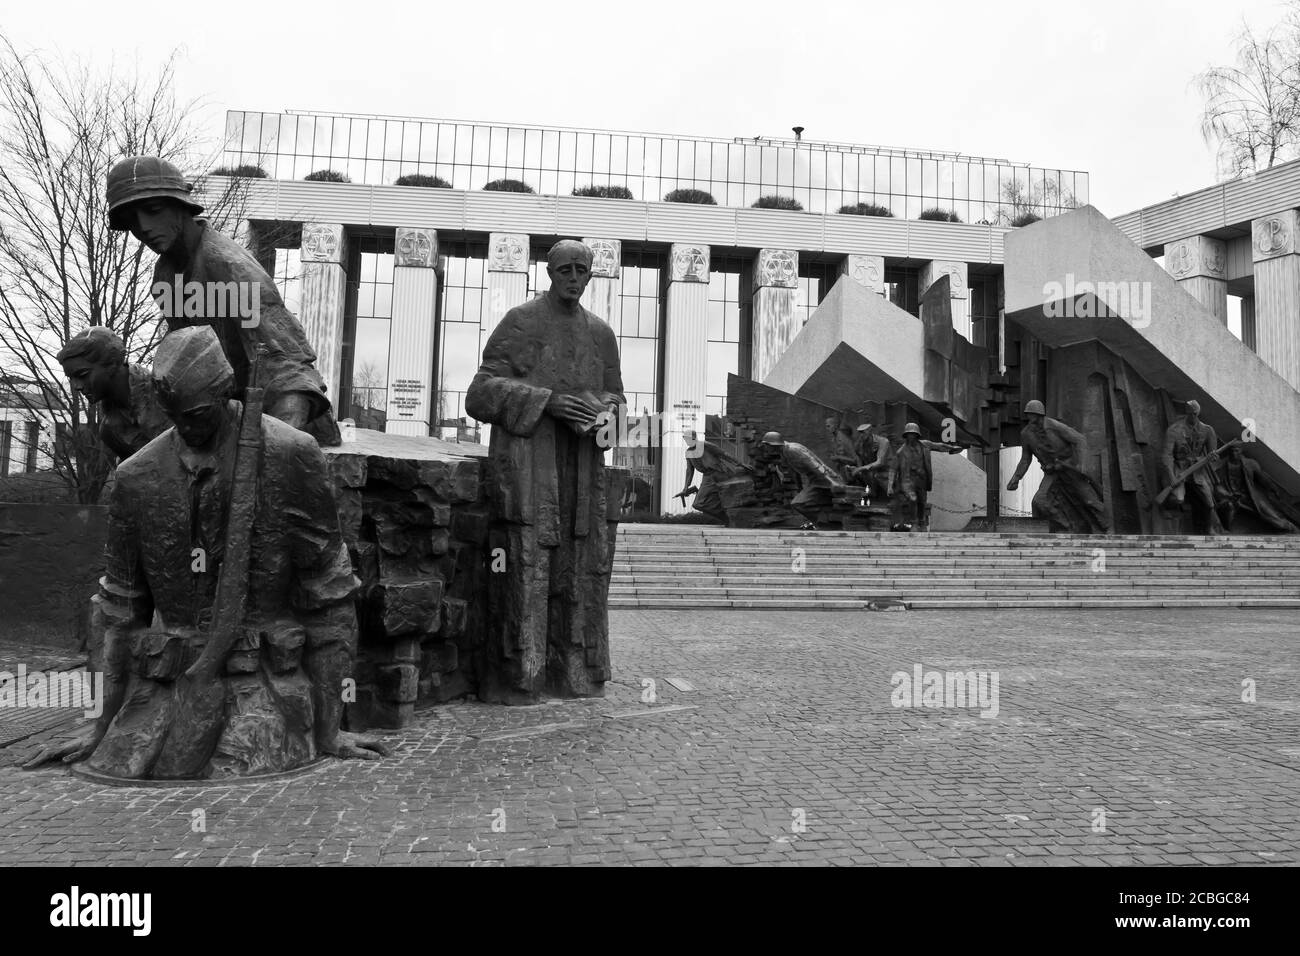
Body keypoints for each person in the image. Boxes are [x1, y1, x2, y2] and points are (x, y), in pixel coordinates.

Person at [25, 327, 386, 778]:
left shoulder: (291, 453)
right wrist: (97, 723)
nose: (188, 428)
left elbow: (330, 597)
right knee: (122, 764)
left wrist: (332, 727)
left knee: (244, 758)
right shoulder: (137, 476)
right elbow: (118, 610)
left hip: (263, 688)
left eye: (197, 414)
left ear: (223, 393)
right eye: (176, 417)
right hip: (160, 690)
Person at [465, 239, 624, 703]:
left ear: (591, 276)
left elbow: (618, 399)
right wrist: (547, 402)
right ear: (549, 273)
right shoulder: (521, 320)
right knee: (525, 569)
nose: (573, 278)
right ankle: (520, 677)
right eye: (565, 270)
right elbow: (480, 393)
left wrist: (601, 414)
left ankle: (574, 672)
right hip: (531, 471)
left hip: (582, 472)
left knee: (579, 574)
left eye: (581, 270)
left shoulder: (601, 334)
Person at [105, 155, 340, 445]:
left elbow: (289, 369)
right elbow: (185, 361)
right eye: (130, 221)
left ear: (181, 206)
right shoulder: (165, 274)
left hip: (277, 425)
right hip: (218, 421)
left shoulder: (228, 266)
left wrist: (273, 447)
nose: (142, 227)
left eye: (152, 210)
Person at [56, 327, 170, 461]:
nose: (76, 386)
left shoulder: (165, 390)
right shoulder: (110, 431)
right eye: (71, 378)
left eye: (82, 375)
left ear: (112, 363)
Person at [1006, 400, 1109, 533]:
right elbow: (1026, 459)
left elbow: (1080, 440)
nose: (1030, 417)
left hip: (1069, 468)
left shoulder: (1054, 426)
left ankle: (1107, 526)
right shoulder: (1026, 434)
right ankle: (1066, 526)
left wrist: (1082, 465)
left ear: (1039, 414)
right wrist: (1016, 478)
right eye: (1028, 414)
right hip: (1052, 472)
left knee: (1089, 500)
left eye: (1033, 414)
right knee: (1040, 501)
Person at [1160, 399, 1225, 535]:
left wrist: (1213, 457)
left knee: (1209, 503)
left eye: (1195, 413)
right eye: (1190, 413)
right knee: (1178, 498)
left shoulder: (1208, 430)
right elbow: (1167, 456)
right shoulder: (1174, 430)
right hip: (1180, 468)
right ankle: (1167, 505)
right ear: (1186, 413)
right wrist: (1172, 477)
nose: (1193, 416)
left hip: (1197, 470)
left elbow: (1212, 454)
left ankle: (1208, 529)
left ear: (1198, 413)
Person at [756, 431, 844, 530]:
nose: (765, 449)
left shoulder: (793, 450)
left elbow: (815, 466)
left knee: (798, 503)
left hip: (824, 479)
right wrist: (800, 488)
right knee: (799, 503)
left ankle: (824, 524)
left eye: (766, 446)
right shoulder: (784, 453)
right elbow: (794, 472)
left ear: (773, 445)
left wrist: (832, 482)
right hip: (815, 481)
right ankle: (822, 524)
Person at [1216, 444, 1299, 533]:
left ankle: (1290, 528)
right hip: (1231, 496)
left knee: (1270, 513)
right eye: (1232, 451)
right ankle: (1226, 530)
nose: (1234, 453)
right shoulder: (1223, 465)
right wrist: (1227, 494)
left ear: (1241, 451)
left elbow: (1262, 477)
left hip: (1250, 496)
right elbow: (1217, 485)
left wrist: (1272, 488)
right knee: (1229, 507)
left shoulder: (1250, 463)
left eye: (1236, 450)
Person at [676, 429, 751, 524]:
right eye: (685, 439)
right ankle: (727, 517)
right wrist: (685, 488)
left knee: (726, 497)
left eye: (688, 439)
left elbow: (724, 455)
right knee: (698, 504)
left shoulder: (706, 445)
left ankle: (731, 518)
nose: (687, 441)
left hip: (719, 473)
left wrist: (740, 464)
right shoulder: (688, 453)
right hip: (707, 477)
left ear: (694, 438)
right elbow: (689, 471)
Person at [891, 423, 933, 531]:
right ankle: (914, 522)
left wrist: (951, 448)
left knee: (922, 501)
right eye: (909, 434)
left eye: (913, 434)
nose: (911, 437)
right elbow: (893, 469)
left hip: (921, 479)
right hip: (908, 480)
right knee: (913, 499)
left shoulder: (924, 445)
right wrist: (890, 486)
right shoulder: (900, 452)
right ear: (906, 436)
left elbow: (939, 446)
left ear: (917, 435)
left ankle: (922, 522)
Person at [850, 422, 894, 499]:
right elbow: (859, 458)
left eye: (863, 433)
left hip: (888, 470)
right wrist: (856, 468)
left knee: (878, 475)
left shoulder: (883, 441)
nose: (861, 435)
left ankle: (894, 498)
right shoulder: (860, 445)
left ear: (869, 432)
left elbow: (880, 462)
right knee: (862, 473)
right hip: (874, 471)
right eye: (860, 433)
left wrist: (860, 469)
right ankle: (872, 492)